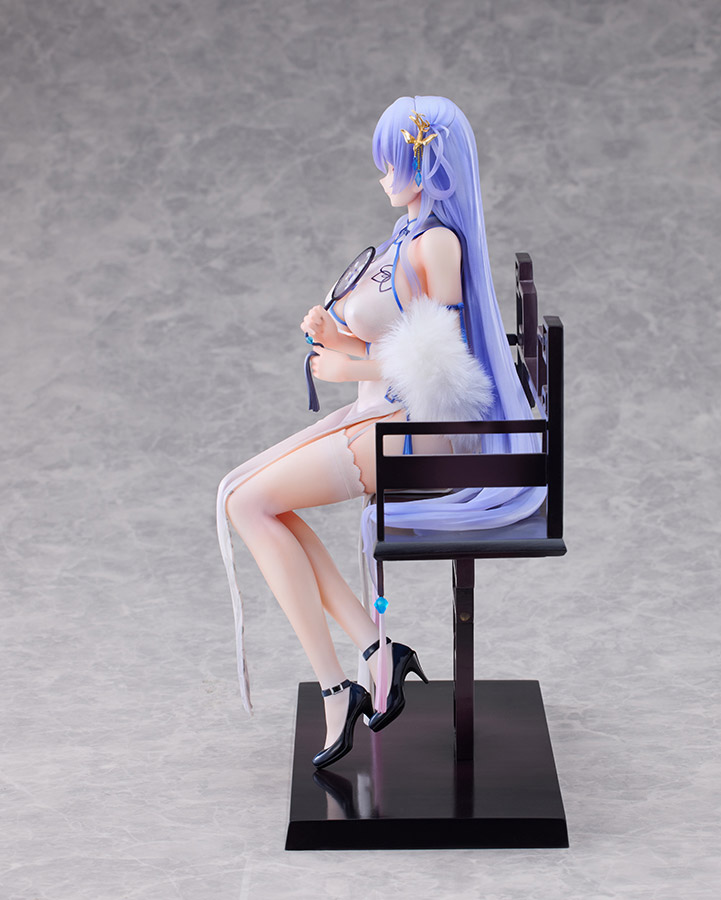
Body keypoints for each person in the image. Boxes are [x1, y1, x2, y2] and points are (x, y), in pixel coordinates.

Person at [216, 96, 544, 768]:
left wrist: (349, 366)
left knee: (249, 503)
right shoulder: (407, 238)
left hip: (422, 431)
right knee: (249, 500)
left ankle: (342, 683)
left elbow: (442, 363)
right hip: (389, 416)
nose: (382, 175)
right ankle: (374, 651)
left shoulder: (439, 244)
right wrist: (336, 337)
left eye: (390, 162)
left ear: (426, 165)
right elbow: (400, 339)